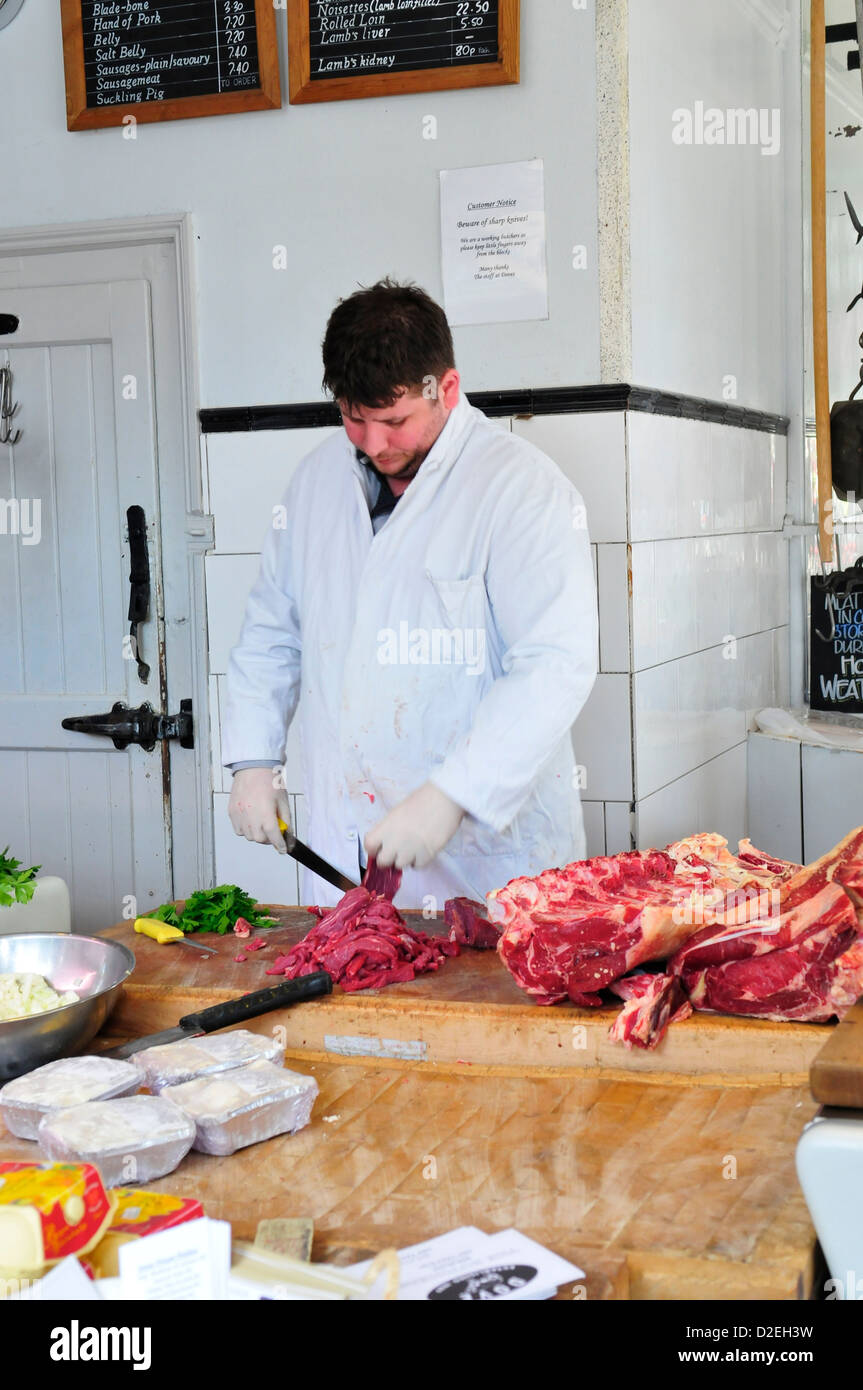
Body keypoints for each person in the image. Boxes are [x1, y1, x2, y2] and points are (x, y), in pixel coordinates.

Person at [223, 279, 598, 909]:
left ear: (445, 390)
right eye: (353, 418)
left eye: (394, 421)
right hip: (344, 853)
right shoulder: (315, 483)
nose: (373, 444)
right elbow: (272, 631)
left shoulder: (521, 489)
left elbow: (555, 666)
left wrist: (454, 794)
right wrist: (252, 762)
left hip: (490, 867)